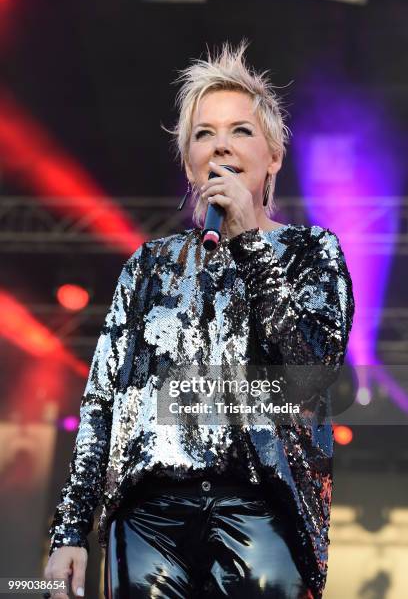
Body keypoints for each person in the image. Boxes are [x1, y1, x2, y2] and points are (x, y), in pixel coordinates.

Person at [44, 39, 355, 599]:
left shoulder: (312, 252)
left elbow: (313, 367)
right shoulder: (150, 265)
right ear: (189, 163)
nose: (221, 146)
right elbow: (102, 401)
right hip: (149, 512)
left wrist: (250, 245)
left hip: (263, 507)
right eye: (203, 134)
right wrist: (70, 530)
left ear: (274, 156)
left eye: (241, 130)